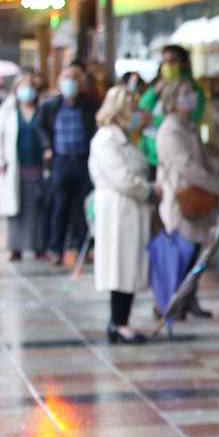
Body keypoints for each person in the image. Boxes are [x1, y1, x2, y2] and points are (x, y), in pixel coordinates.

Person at [90, 86, 156, 343]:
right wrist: (148, 190)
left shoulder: (125, 137)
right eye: (134, 109)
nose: (139, 114)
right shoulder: (107, 139)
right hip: (119, 210)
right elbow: (122, 178)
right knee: (120, 267)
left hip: (130, 209)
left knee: (128, 266)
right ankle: (118, 322)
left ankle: (121, 321)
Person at [154, 76, 219, 318]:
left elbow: (202, 160)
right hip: (181, 201)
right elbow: (186, 166)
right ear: (173, 101)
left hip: (197, 201)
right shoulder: (171, 129)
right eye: (185, 93)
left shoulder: (189, 126)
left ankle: (189, 298)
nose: (191, 97)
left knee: (195, 256)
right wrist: (216, 185)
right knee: (180, 256)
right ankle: (171, 302)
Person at [37, 64, 98, 264]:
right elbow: (41, 127)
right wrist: (47, 147)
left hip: (82, 160)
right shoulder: (50, 105)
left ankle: (83, 247)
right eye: (67, 77)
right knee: (60, 205)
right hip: (61, 161)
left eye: (75, 78)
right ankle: (56, 248)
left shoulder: (89, 105)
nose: (71, 82)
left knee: (83, 206)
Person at [0, 73, 49, 260]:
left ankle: (40, 246)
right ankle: (16, 247)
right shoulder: (8, 110)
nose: (27, 91)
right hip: (15, 167)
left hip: (38, 166)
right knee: (16, 208)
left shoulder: (42, 109)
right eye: (23, 87)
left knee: (39, 208)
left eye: (30, 86)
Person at [138, 44, 204, 174]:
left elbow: (189, 118)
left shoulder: (191, 90)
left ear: (184, 64)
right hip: (149, 154)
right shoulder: (158, 85)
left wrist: (154, 120)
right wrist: (155, 91)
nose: (168, 65)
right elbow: (141, 108)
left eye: (173, 61)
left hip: (175, 154)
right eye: (165, 61)